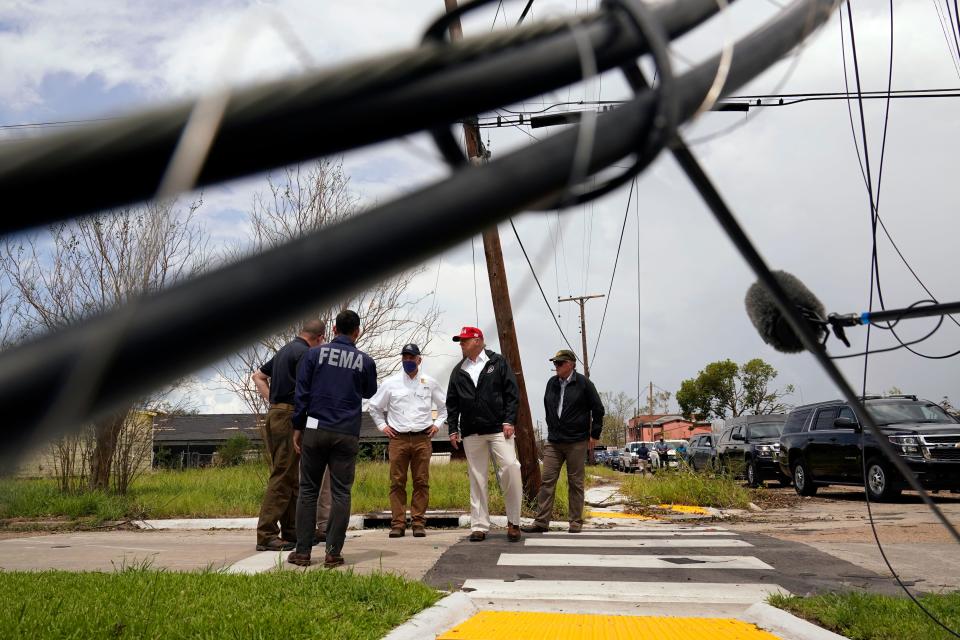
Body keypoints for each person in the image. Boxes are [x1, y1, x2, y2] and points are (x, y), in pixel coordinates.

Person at [288, 310, 377, 568]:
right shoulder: (365, 361)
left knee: (307, 491)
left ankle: (303, 552)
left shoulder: (313, 354)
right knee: (341, 493)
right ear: (357, 332)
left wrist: (298, 426)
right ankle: (333, 553)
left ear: (334, 330)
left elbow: (301, 393)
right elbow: (370, 391)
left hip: (315, 429)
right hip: (346, 432)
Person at [252, 319, 325, 552]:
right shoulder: (304, 353)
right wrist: (298, 420)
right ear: (320, 338)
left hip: (277, 413)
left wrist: (274, 401)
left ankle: (293, 530)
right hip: (290, 415)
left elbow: (258, 376)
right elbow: (305, 391)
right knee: (283, 475)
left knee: (292, 475)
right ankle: (266, 534)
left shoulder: (285, 350)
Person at [445, 326, 523, 543]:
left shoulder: (497, 363)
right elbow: (452, 402)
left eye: (464, 340)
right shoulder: (458, 370)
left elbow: (511, 393)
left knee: (511, 467)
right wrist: (453, 428)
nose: (461, 344)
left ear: (478, 341)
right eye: (460, 341)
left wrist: (509, 420)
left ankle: (514, 521)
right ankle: (479, 525)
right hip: (471, 431)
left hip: (499, 428)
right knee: (477, 477)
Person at [368, 343, 447, 538]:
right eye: (405, 357)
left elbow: (445, 407)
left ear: (419, 360)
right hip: (398, 439)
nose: (408, 361)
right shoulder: (391, 383)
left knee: (421, 481)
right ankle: (398, 524)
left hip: (422, 438)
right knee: (397, 482)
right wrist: (382, 426)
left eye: (411, 357)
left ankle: (418, 523)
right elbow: (374, 407)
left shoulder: (429, 382)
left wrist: (437, 425)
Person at [522, 349, 603, 534]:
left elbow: (598, 409)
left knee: (575, 482)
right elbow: (548, 406)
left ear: (570, 364)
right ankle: (541, 522)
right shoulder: (552, 383)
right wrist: (552, 427)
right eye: (554, 363)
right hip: (554, 442)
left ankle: (575, 523)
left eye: (559, 363)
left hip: (576, 441)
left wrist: (594, 434)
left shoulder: (584, 383)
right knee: (547, 481)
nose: (556, 367)